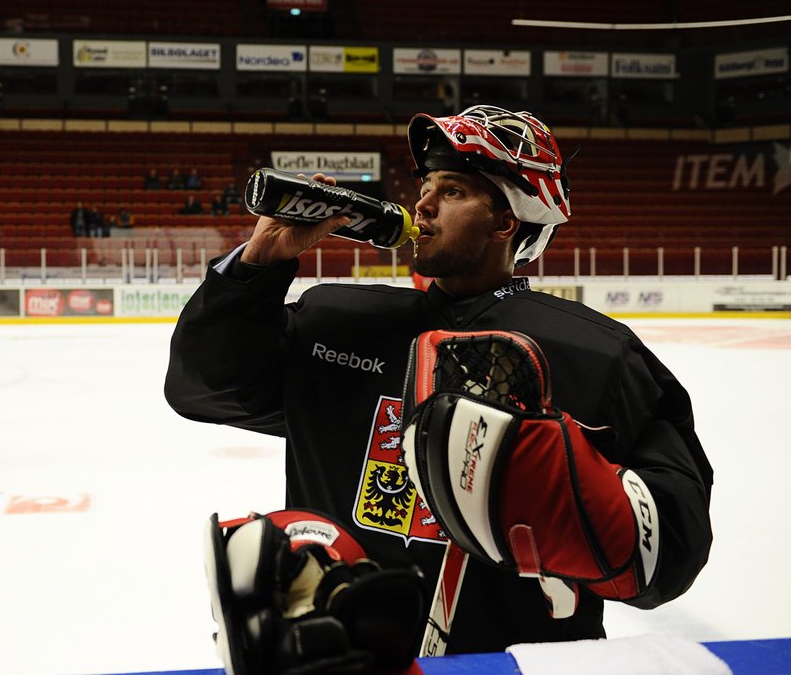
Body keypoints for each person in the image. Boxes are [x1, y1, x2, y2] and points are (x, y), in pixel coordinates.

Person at [165, 105, 713, 655]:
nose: (422, 203)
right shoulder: (336, 321)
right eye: (425, 184)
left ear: (506, 222)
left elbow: (670, 553)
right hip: (342, 656)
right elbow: (203, 387)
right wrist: (257, 263)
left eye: (452, 191)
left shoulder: (597, 355)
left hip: (513, 665)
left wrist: (561, 500)